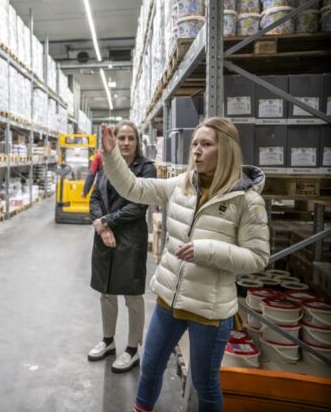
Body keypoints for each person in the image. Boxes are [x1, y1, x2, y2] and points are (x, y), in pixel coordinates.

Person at [99, 117, 269, 412]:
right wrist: (112, 155)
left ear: (226, 150)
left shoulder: (247, 201)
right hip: (169, 300)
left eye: (206, 144)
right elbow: (134, 188)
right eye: (194, 144)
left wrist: (206, 250)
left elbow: (257, 257)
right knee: (150, 367)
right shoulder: (182, 186)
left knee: (204, 383)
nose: (196, 151)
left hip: (210, 311)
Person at [87, 121, 156, 373]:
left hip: (130, 238)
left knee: (132, 295)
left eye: (131, 138)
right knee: (106, 292)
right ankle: (107, 341)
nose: (126, 143)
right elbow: (94, 197)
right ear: (114, 140)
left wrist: (107, 221)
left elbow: (140, 205)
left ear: (138, 142)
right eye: (122, 138)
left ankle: (132, 349)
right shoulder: (107, 164)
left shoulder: (146, 168)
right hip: (104, 237)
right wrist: (102, 227)